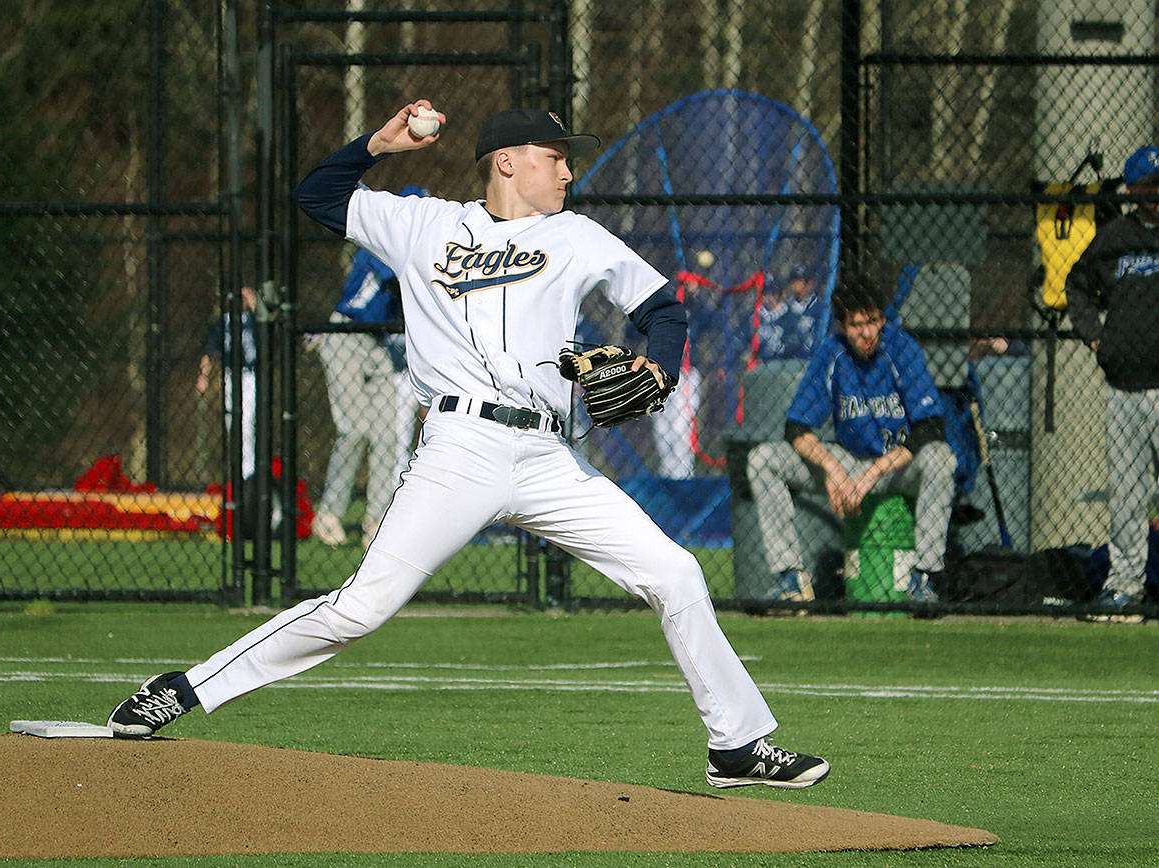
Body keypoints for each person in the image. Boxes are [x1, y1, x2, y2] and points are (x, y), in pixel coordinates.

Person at [106, 101, 829, 791]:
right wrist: (379, 147)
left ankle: (734, 744)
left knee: (675, 574)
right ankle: (184, 688)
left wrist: (661, 366)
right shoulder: (423, 226)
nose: (568, 172)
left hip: (548, 458)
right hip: (459, 448)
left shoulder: (577, 236)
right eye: (555, 158)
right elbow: (315, 195)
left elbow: (665, 307)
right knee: (361, 608)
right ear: (508, 162)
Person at [746, 279, 957, 604]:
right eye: (857, 325)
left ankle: (922, 579)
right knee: (763, 459)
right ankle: (791, 581)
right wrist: (832, 468)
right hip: (849, 462)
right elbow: (795, 428)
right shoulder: (832, 353)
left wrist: (872, 475)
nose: (867, 333)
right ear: (842, 325)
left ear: (882, 319)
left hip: (898, 465)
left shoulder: (901, 349)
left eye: (873, 321)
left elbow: (930, 428)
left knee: (942, 458)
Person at [1064, 144, 1159, 619]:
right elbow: (1076, 284)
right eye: (1146, 188)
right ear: (1132, 190)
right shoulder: (1116, 237)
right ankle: (1125, 586)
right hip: (1123, 383)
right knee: (1126, 490)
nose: (1155, 196)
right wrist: (1096, 338)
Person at [310, 186, 426, 547]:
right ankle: (329, 513)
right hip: (346, 334)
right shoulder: (381, 245)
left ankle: (376, 521)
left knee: (388, 435)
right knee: (355, 428)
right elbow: (395, 274)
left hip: (378, 344)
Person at [197, 285, 257, 479]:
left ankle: (250, 473)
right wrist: (203, 377)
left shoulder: (253, 320)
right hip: (231, 375)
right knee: (234, 424)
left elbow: (267, 327)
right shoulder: (223, 322)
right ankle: (242, 472)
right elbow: (209, 351)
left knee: (248, 422)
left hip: (251, 375)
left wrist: (253, 299)